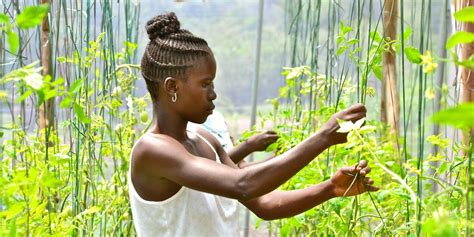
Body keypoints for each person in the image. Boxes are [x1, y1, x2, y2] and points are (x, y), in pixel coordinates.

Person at [129, 12, 379, 237]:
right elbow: (244, 185)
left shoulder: (204, 138)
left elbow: (264, 203)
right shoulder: (152, 150)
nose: (213, 94)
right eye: (205, 84)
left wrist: (330, 188)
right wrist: (323, 137)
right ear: (172, 87)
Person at [188, 110, 279, 167]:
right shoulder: (185, 128)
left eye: (212, 85)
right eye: (205, 84)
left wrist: (275, 159)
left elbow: (241, 167)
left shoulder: (218, 118)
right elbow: (210, 170)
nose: (213, 95)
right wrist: (248, 146)